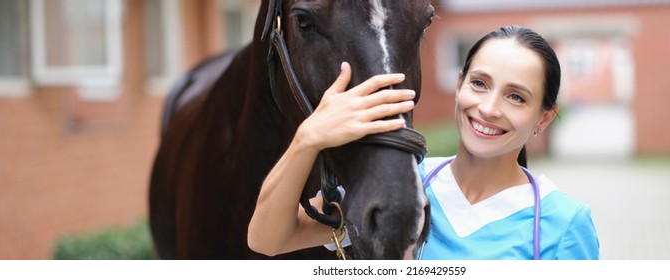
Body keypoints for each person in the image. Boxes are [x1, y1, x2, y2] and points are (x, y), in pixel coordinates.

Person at [247, 25, 599, 260]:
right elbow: (268, 238)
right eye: (479, 84)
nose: (489, 108)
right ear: (459, 84)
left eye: (516, 98)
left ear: (544, 118)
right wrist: (308, 138)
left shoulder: (564, 223)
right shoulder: (400, 183)